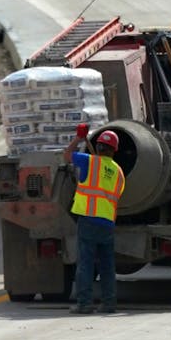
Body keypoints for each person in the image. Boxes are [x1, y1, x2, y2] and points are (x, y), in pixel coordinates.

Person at [64, 123, 126, 314]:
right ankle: (109, 303)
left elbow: (67, 156)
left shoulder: (88, 162)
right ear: (114, 151)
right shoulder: (118, 172)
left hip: (89, 220)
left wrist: (78, 137)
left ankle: (85, 304)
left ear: (98, 147)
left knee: (85, 263)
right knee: (107, 266)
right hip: (107, 223)